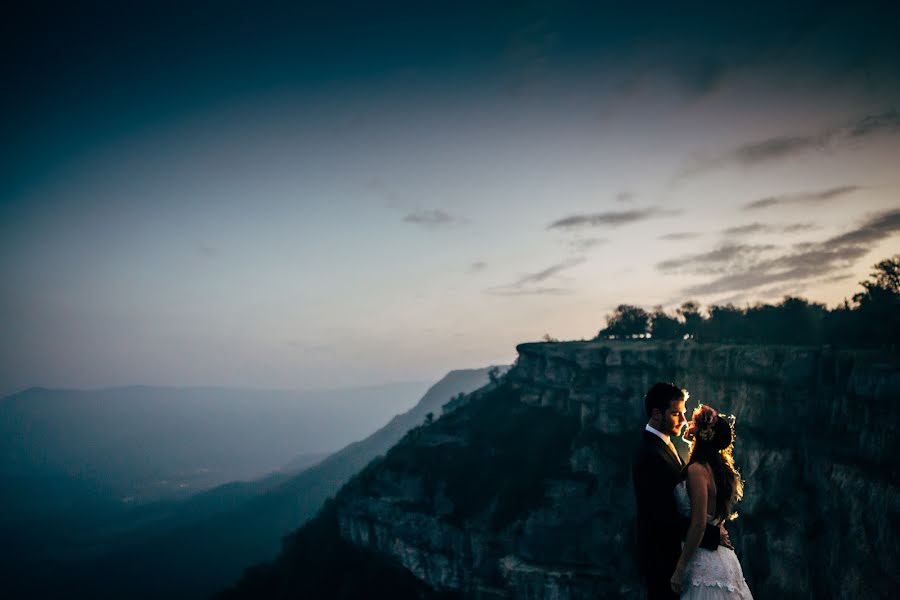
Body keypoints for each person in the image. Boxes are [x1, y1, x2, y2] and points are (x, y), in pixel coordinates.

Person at [633, 383, 729, 600]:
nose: (684, 421)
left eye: (683, 413)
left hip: (676, 556)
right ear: (657, 414)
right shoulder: (650, 455)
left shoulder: (664, 445)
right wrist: (712, 533)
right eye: (676, 414)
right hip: (662, 559)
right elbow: (661, 518)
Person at [669, 404, 753, 598]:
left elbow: (698, 524)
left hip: (705, 562)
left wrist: (679, 569)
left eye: (694, 421)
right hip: (720, 558)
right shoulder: (717, 468)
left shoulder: (698, 470)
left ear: (702, 433)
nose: (688, 423)